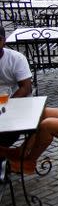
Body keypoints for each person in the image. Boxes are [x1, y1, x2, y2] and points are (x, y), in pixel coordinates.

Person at [0, 26, 33, 155]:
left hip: (14, 103)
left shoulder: (16, 59)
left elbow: (26, 87)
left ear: (4, 41)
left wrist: (8, 103)